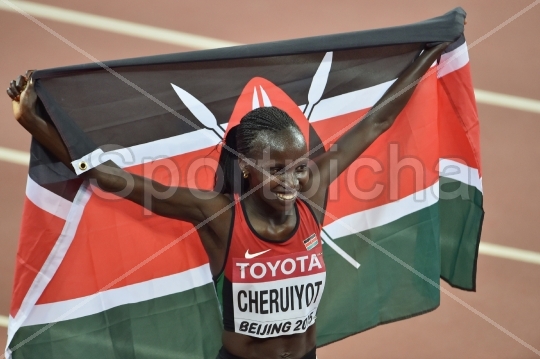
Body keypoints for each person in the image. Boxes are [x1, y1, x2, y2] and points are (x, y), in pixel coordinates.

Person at [7, 42, 449, 359]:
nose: (292, 180)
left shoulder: (310, 195)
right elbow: (108, 177)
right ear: (246, 168)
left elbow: (376, 122)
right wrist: (34, 120)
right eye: (276, 169)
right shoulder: (218, 215)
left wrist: (430, 52)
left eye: (298, 166)